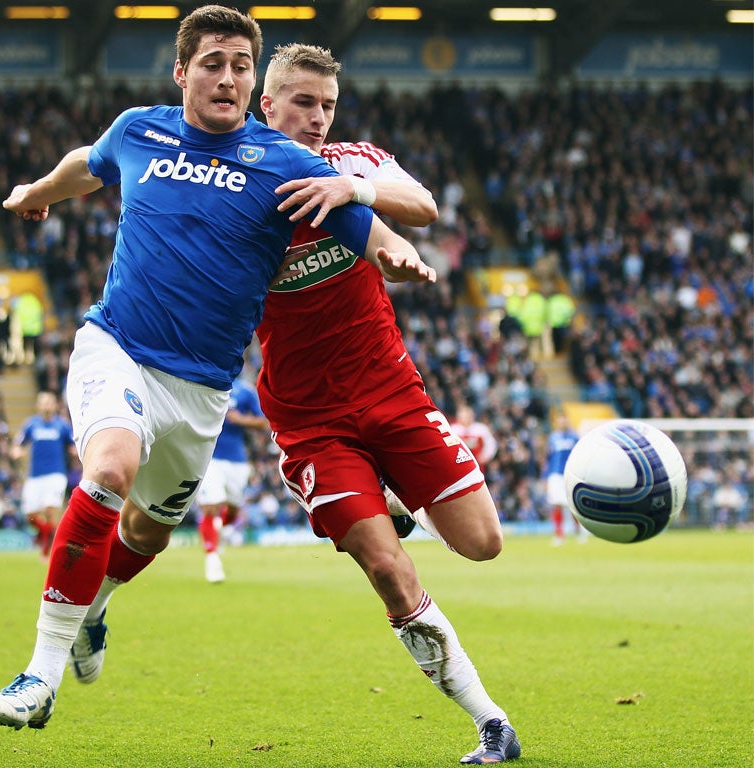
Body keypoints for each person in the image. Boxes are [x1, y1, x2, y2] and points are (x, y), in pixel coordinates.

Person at [64, 43, 521, 765]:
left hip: (392, 394)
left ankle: (397, 503)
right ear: (264, 104)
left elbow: (424, 206)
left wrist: (355, 195)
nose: (315, 118)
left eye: (327, 105)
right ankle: (491, 722)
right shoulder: (239, 182)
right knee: (386, 569)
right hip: (309, 422)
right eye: (301, 103)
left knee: (482, 543)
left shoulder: (353, 159)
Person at [0, 4, 435, 731]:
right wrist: (38, 192)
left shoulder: (286, 163)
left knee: (148, 532)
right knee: (108, 470)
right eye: (213, 63)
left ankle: (94, 606)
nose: (227, 77)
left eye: (240, 65)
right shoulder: (140, 130)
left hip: (200, 388)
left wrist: (390, 252)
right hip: (118, 346)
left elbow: (372, 222)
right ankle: (39, 675)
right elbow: (88, 165)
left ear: (252, 79)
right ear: (181, 72)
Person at [195, 372, 268, 583]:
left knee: (233, 510)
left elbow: (264, 423)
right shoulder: (204, 380)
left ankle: (223, 533)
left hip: (237, 460)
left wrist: (240, 419)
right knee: (211, 505)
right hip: (209, 456)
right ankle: (212, 559)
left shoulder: (245, 390)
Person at [10, 391, 75, 558]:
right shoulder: (31, 425)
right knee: (30, 514)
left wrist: (78, 453)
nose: (46, 406)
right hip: (35, 476)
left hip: (56, 474)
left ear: (54, 405)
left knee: (49, 510)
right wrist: (17, 451)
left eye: (49, 402)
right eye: (43, 402)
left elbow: (72, 446)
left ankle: (48, 548)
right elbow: (18, 444)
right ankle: (50, 536)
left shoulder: (62, 425)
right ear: (37, 406)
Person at [545, 410, 584, 545]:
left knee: (574, 505)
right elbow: (548, 458)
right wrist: (545, 475)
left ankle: (579, 531)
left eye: (564, 419)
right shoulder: (553, 438)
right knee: (556, 504)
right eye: (560, 419)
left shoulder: (574, 437)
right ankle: (559, 534)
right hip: (555, 474)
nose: (562, 422)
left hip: (570, 473)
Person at [451, 403, 498, 476]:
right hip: (459, 464)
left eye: (468, 416)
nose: (466, 418)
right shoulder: (453, 429)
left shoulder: (481, 428)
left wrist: (486, 456)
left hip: (478, 464)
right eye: (464, 416)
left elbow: (491, 444)